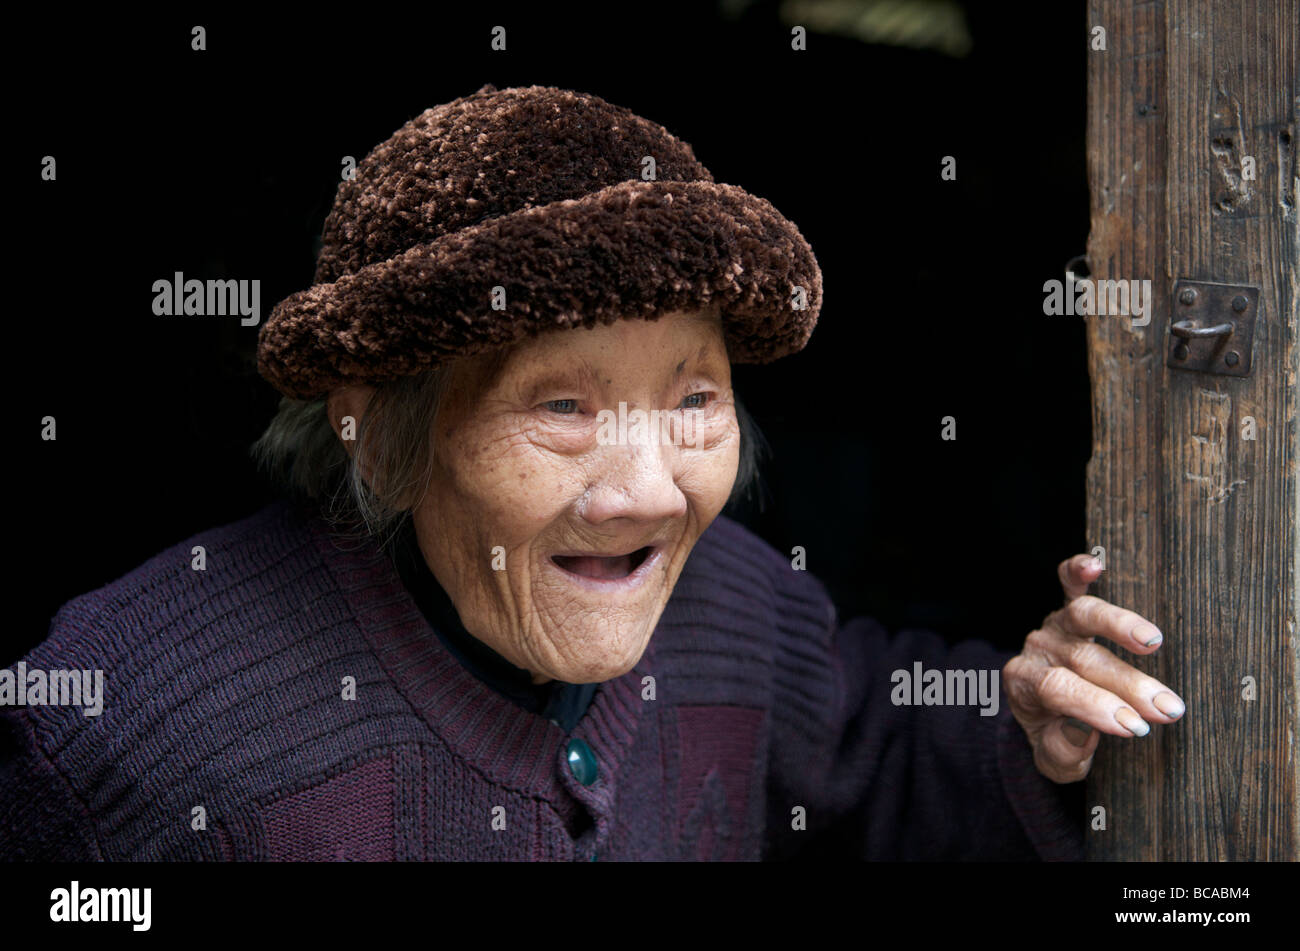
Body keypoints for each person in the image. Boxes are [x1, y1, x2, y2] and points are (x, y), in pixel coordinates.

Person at [1, 85, 1184, 861]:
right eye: (561, 405)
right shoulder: (133, 725)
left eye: (694, 400)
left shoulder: (734, 606)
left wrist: (1034, 727)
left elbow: (880, 745)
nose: (651, 492)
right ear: (376, 429)